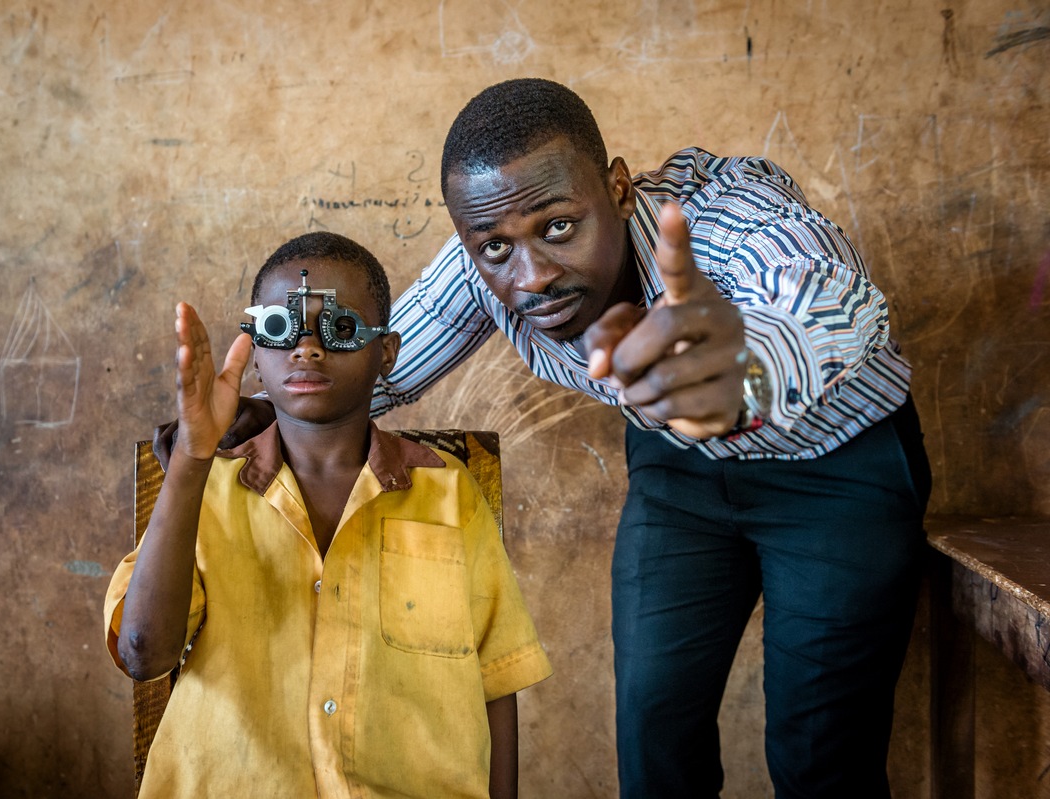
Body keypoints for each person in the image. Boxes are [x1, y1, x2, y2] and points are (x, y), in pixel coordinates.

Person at [158, 79, 931, 798]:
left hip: (837, 468)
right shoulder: (485, 267)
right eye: (494, 246)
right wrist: (268, 412)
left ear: (619, 190)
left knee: (819, 748)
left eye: (559, 227)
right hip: (679, 476)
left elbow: (837, 311)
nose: (529, 275)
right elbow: (380, 371)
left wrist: (734, 373)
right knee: (655, 727)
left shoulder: (725, 219)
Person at [106, 231, 553, 798]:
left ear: (386, 352)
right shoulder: (206, 492)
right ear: (255, 346)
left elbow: (496, 682)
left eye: (338, 330)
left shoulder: (448, 493)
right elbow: (144, 653)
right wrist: (193, 458)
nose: (306, 350)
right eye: (280, 329)